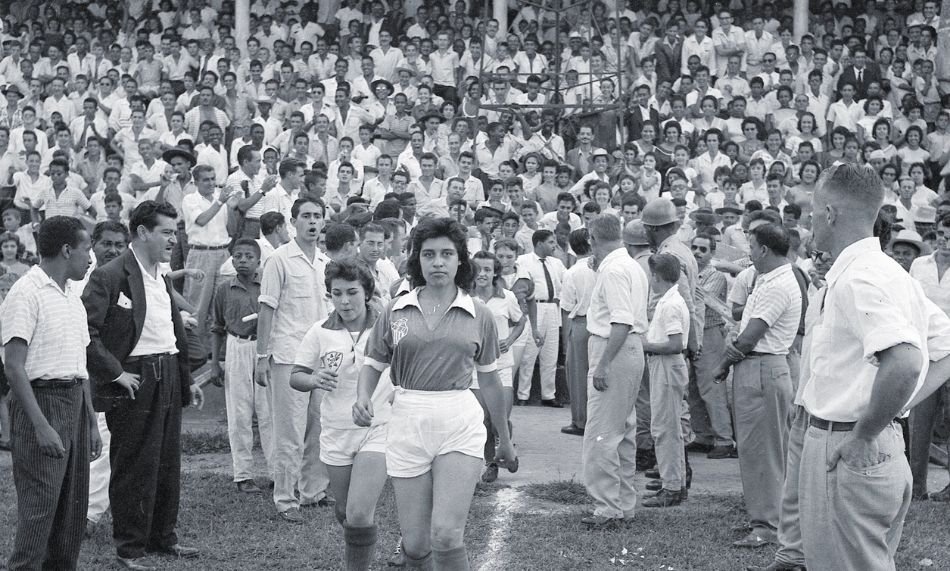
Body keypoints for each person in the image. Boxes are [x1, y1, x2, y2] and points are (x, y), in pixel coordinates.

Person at [795, 163, 950, 569]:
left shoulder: (859, 278)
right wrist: (895, 410)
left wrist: (866, 431)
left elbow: (905, 361)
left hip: (849, 440)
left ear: (830, 214)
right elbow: (943, 347)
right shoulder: (890, 273)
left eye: (814, 211)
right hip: (876, 439)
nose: (811, 220)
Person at [354, 217, 516, 570]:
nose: (438, 262)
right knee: (415, 545)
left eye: (447, 254)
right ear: (418, 260)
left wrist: (503, 438)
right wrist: (363, 395)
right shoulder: (396, 309)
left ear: (460, 260)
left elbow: (490, 380)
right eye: (429, 254)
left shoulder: (480, 314)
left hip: (458, 420)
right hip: (407, 420)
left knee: (445, 534)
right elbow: (373, 363)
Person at [83, 201, 204, 570]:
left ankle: (162, 537)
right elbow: (86, 332)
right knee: (134, 464)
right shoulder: (110, 275)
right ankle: (130, 548)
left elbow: (170, 331)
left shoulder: (160, 274)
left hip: (167, 372)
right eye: (166, 232)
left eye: (174, 232)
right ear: (142, 232)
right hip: (134, 379)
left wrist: (186, 379)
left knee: (167, 462)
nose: (174, 239)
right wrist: (116, 373)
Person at [2, 216, 98, 571]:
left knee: (72, 509)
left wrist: (90, 421)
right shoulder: (26, 292)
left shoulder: (72, 295)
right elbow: (14, 367)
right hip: (41, 402)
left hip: (74, 402)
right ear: (67, 250)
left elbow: (80, 364)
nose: (90, 257)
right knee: (41, 507)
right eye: (87, 249)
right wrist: (41, 426)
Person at [290, 258, 392, 571]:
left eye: (352, 292)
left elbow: (409, 363)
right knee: (346, 512)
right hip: (335, 430)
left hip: (379, 426)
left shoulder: (388, 326)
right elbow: (296, 376)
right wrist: (314, 379)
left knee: (359, 513)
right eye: (337, 294)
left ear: (367, 292)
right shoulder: (320, 331)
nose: (344, 301)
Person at [715, 222, 801, 549]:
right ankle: (763, 518)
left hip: (762, 367)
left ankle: (767, 525)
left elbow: (750, 337)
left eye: (751, 247)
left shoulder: (777, 285)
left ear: (764, 249)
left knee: (762, 452)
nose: (748, 253)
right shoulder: (768, 279)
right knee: (758, 450)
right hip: (758, 368)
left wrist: (723, 364)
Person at [255, 196, 332, 523]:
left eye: (317, 216)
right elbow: (266, 309)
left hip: (321, 357)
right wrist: (262, 357)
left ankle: (313, 491)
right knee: (289, 431)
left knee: (319, 426)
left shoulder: (325, 263)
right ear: (293, 221)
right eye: (306, 216)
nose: (312, 222)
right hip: (288, 356)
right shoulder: (279, 260)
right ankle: (286, 498)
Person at [582, 214, 649, 529]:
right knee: (622, 430)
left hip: (615, 347)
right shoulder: (631, 265)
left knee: (602, 433)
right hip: (630, 348)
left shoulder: (614, 269)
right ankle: (622, 504)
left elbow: (620, 321)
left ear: (593, 239)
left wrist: (604, 363)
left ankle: (608, 507)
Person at [210, 238, 273, 494]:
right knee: (239, 413)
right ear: (232, 260)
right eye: (238, 256)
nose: (243, 261)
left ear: (258, 261)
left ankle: (276, 472)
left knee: (268, 413)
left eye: (249, 256)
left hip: (264, 348)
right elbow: (217, 327)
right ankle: (243, 474)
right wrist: (216, 363)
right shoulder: (224, 289)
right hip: (236, 346)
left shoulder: (267, 286)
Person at [470, 250, 525, 483]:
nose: (482, 274)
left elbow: (520, 321)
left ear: (495, 273)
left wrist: (509, 340)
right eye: (478, 269)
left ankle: (507, 448)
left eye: (487, 269)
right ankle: (491, 463)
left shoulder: (507, 297)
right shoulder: (465, 297)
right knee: (482, 420)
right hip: (475, 368)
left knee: (499, 417)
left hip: (501, 366)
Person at [641, 253, 691, 508]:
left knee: (665, 428)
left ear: (657, 277)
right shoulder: (669, 300)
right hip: (664, 365)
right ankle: (675, 483)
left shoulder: (671, 304)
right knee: (668, 427)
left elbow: (675, 344)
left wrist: (646, 345)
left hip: (667, 365)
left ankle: (671, 486)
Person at [515, 229, 566, 407]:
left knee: (550, 353)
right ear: (539, 243)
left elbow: (567, 281)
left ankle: (548, 395)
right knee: (529, 353)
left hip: (552, 307)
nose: (554, 246)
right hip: (534, 306)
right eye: (551, 242)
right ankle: (523, 394)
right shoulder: (523, 261)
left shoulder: (556, 263)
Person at [560, 229, 596, 436]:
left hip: (581, 323)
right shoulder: (601, 268)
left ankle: (580, 421)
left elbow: (567, 307)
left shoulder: (572, 272)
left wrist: (566, 340)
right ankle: (595, 420)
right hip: (601, 323)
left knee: (578, 374)